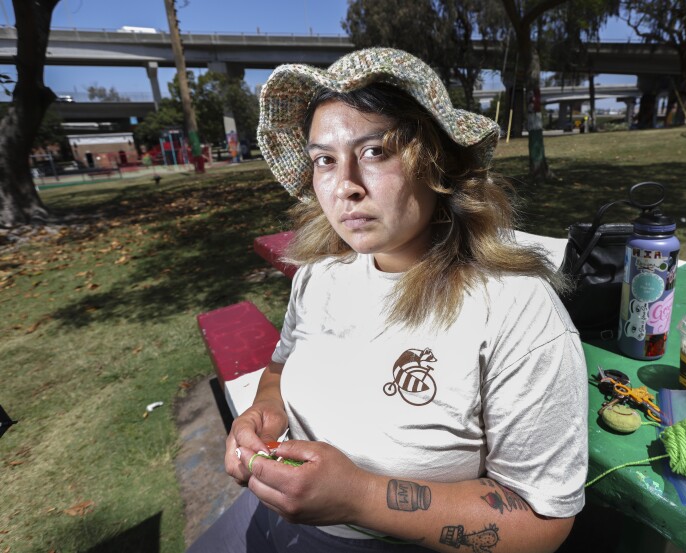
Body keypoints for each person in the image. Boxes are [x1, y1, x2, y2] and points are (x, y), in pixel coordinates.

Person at [188, 47, 588, 553]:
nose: (344, 187)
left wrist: (359, 498)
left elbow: (541, 518)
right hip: (268, 517)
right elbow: (280, 367)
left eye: (374, 151)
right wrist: (263, 413)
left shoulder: (516, 310)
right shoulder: (322, 275)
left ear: (436, 160)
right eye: (324, 161)